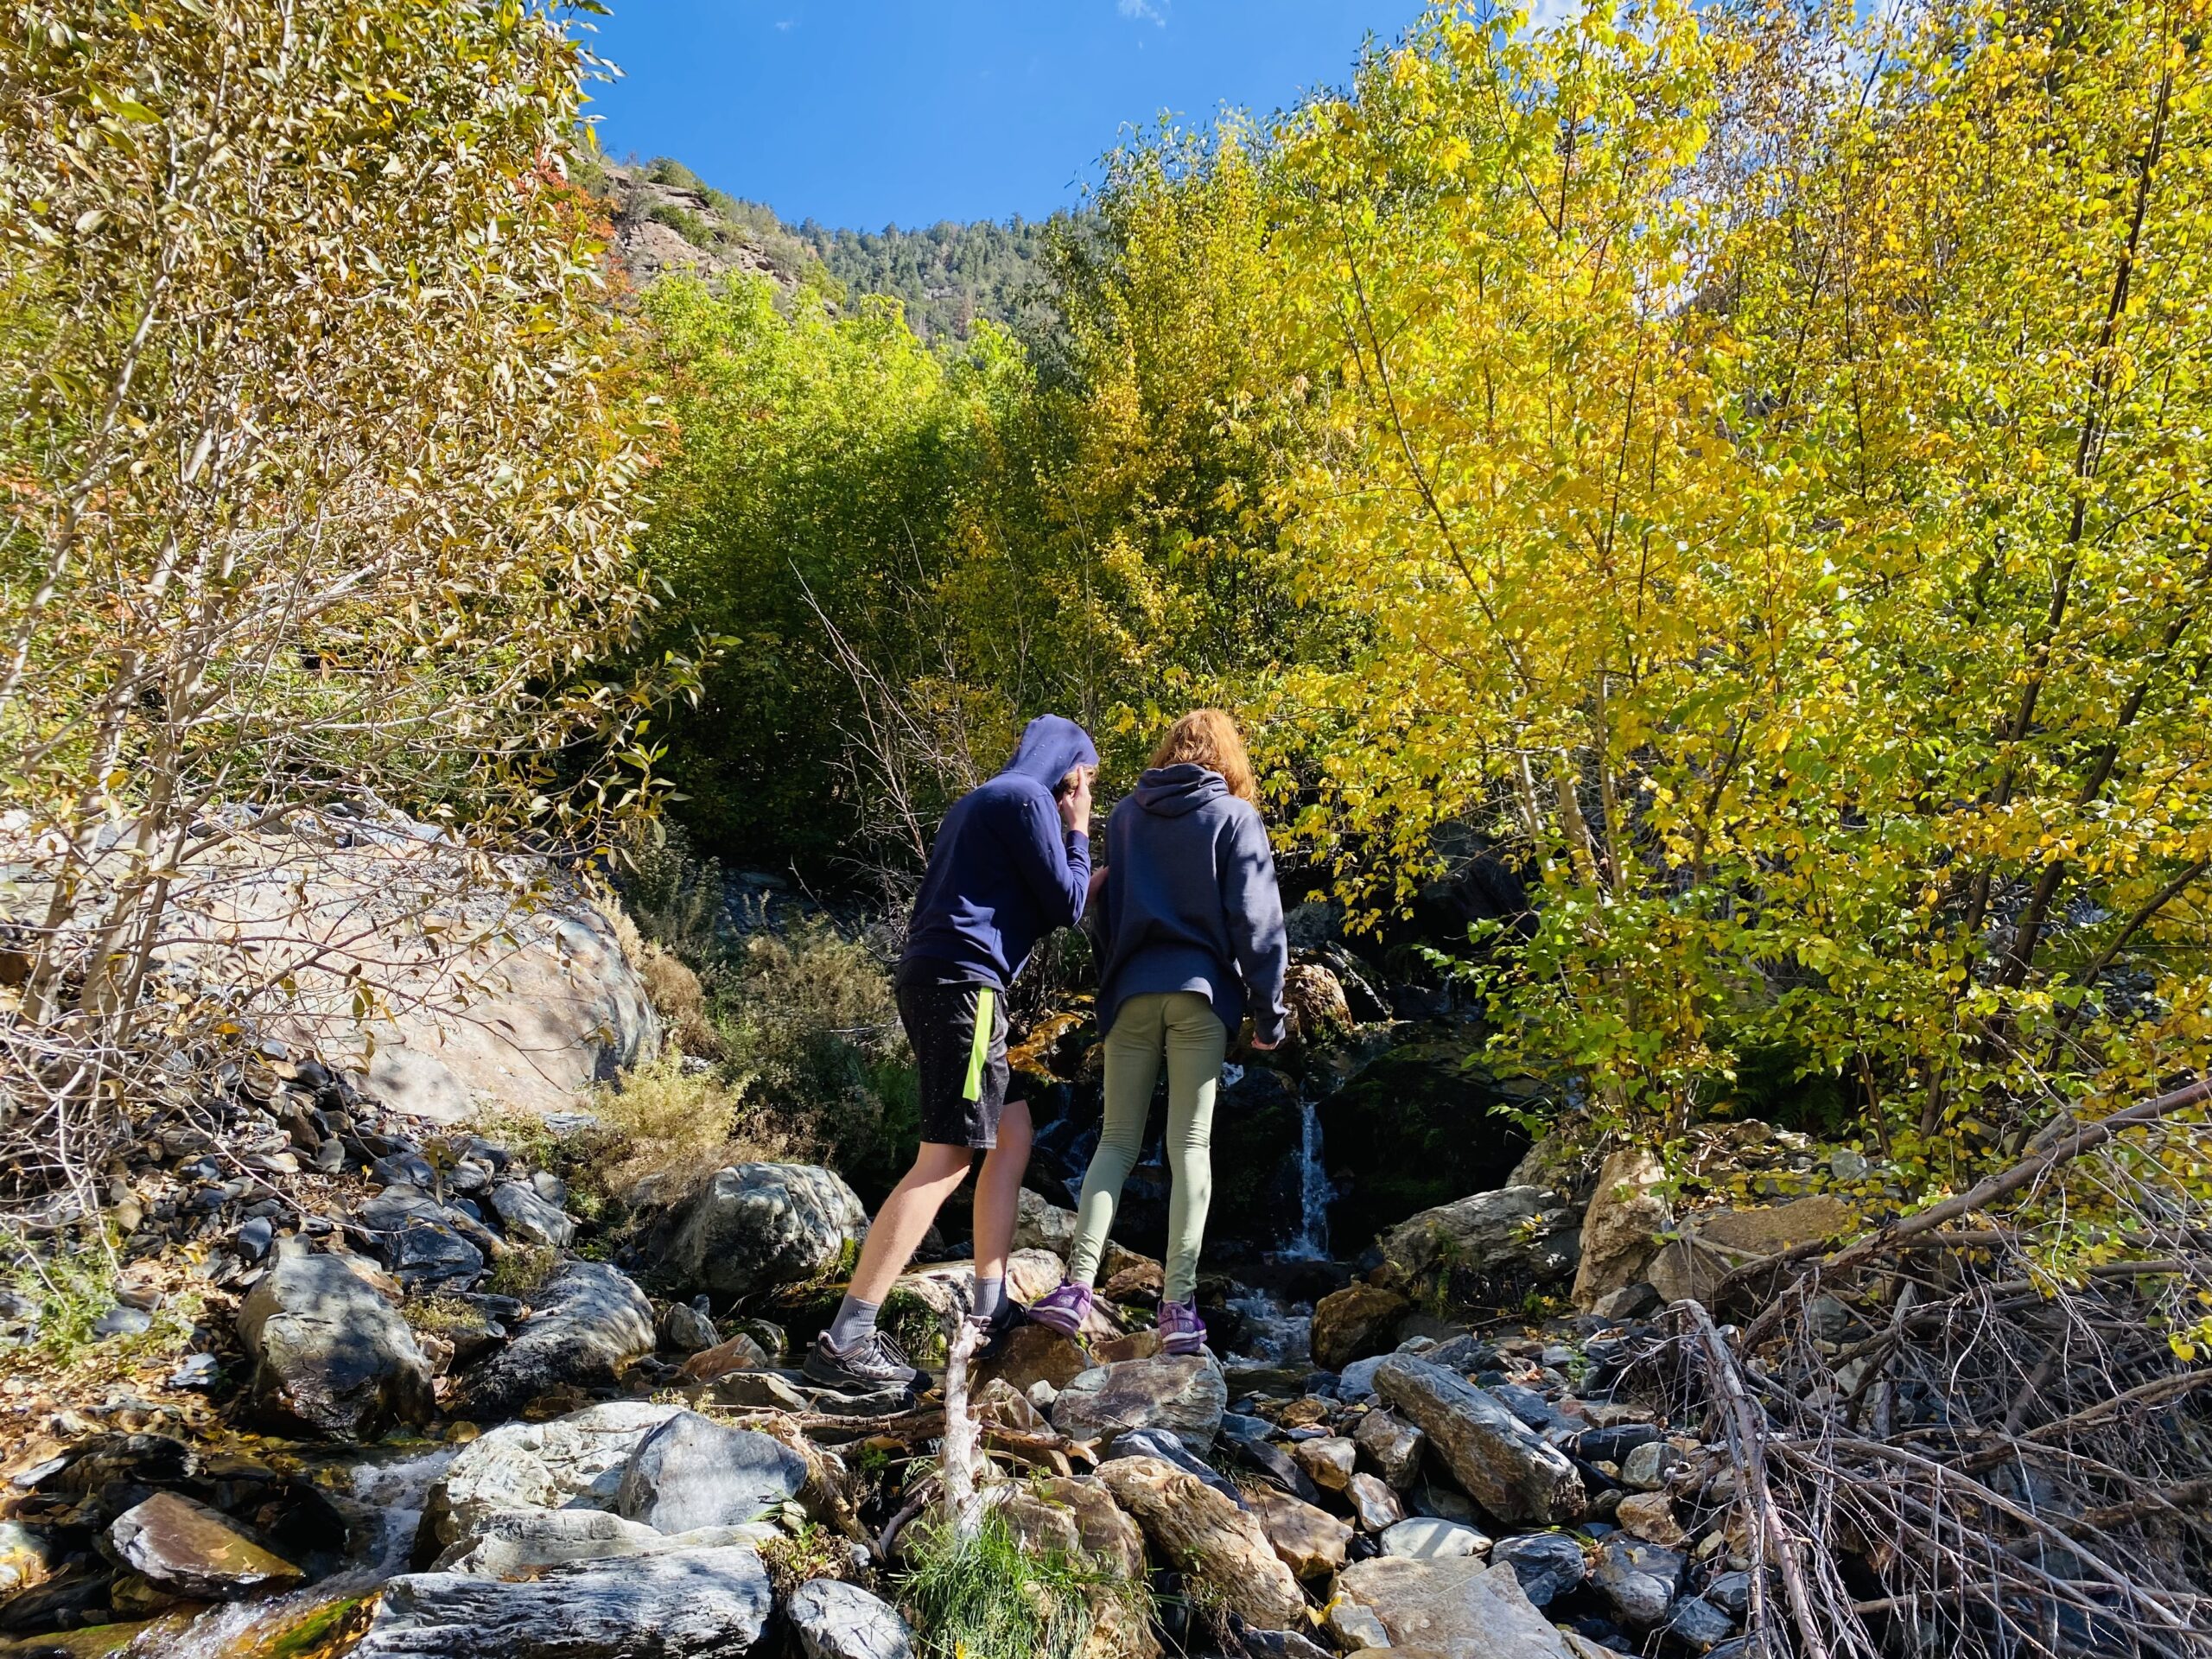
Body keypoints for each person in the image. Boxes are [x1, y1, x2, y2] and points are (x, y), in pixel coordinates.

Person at [804, 714, 1099, 1391]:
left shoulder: (981, 801)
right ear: (1070, 766)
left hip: (940, 979)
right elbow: (1066, 905)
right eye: (1084, 778)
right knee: (948, 1156)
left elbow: (1021, 901)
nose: (1081, 790)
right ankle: (847, 1340)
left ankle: (991, 1304)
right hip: (966, 987)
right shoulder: (1027, 800)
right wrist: (1079, 829)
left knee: (1013, 1131)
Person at [1030, 709, 1287, 1356]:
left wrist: (1113, 981)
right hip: (1200, 995)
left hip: (1132, 992)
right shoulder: (1234, 817)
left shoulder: (1125, 817)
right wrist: (1269, 1014)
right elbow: (1257, 920)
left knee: (1115, 1142)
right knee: (1189, 1146)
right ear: (1227, 757)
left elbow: (1105, 912)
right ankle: (1177, 1309)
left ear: (1169, 751)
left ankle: (1075, 1289)